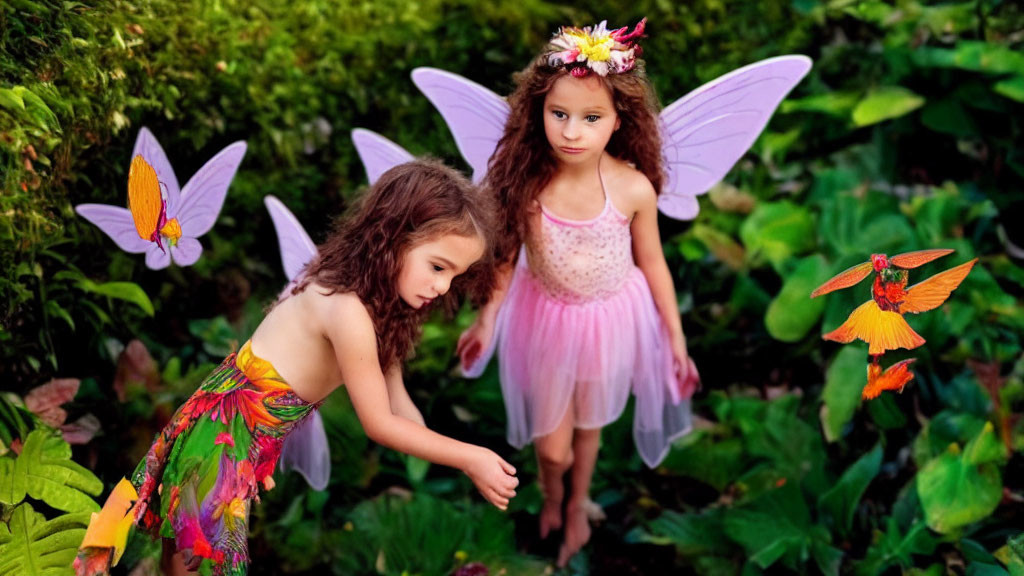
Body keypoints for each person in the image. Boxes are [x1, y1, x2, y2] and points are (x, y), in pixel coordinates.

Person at [76, 159, 519, 576]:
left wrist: (440, 456)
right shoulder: (345, 310)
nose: (442, 287)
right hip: (217, 446)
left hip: (228, 445)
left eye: (454, 275)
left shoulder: (376, 309)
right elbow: (380, 423)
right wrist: (470, 457)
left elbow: (401, 408)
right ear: (395, 235)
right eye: (437, 267)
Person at [454, 19, 696, 566]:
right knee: (552, 446)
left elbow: (652, 262)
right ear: (538, 110)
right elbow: (507, 258)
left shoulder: (632, 187)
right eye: (558, 114)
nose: (570, 130)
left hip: (612, 316)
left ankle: (577, 504)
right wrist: (487, 320)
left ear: (617, 122)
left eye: (590, 118)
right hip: (547, 318)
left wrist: (674, 337)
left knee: (591, 422)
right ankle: (553, 490)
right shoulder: (528, 183)